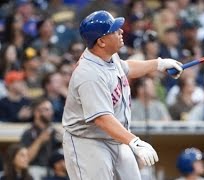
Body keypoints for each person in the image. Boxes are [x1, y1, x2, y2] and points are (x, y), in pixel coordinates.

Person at [62, 10, 183, 180]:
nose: (121, 31)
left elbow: (127, 68)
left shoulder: (107, 56)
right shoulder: (88, 74)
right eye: (114, 30)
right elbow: (102, 118)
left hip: (114, 137)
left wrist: (158, 64)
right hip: (88, 141)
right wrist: (134, 141)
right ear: (101, 41)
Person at [20, 98, 62, 180]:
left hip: (53, 171)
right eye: (46, 110)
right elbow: (26, 158)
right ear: (37, 113)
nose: (51, 112)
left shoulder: (54, 132)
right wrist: (40, 140)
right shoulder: (28, 133)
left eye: (51, 109)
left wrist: (64, 141)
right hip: (35, 169)